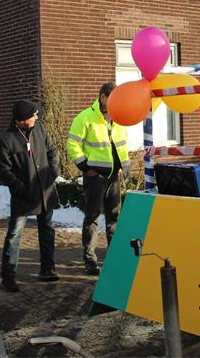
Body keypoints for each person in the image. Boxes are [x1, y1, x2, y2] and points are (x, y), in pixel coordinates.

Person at [66, 83, 131, 276]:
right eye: (112, 99)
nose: (116, 103)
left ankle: (114, 258)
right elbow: (72, 144)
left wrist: (125, 165)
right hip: (96, 178)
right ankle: (90, 261)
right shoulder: (85, 117)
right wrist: (86, 168)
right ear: (102, 97)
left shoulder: (119, 118)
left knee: (114, 218)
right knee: (92, 217)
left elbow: (122, 145)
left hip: (113, 176)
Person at [0, 100, 61, 291]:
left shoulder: (39, 128)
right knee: (14, 234)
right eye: (33, 115)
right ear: (22, 119)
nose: (36, 117)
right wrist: (21, 187)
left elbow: (52, 150)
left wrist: (53, 172)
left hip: (45, 190)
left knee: (47, 229)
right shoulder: (6, 139)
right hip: (23, 196)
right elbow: (4, 170)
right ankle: (8, 275)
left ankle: (48, 268)